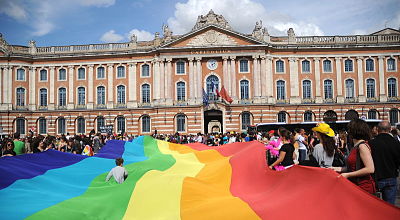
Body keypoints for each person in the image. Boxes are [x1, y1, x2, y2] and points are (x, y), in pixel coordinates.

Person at [331, 119, 375, 194]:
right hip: (357, 185)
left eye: (349, 129)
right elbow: (351, 167)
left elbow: (370, 169)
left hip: (363, 187)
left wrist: (348, 175)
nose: (348, 132)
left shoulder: (362, 146)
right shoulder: (355, 146)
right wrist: (335, 169)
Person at [369, 121, 400, 204]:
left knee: (376, 207)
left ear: (378, 129)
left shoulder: (371, 143)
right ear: (390, 129)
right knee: (389, 207)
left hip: (376, 177)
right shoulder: (395, 143)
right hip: (391, 176)